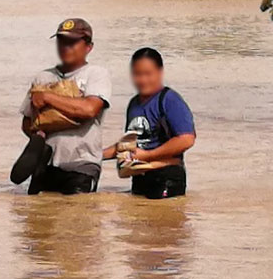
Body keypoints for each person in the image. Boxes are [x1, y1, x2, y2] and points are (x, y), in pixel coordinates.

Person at [17, 17, 112, 195]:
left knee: (76, 217)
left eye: (72, 42)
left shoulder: (97, 74)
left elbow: (89, 109)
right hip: (44, 165)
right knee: (37, 217)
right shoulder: (42, 78)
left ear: (89, 47)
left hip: (82, 165)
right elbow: (26, 123)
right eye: (61, 41)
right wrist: (37, 135)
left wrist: (47, 98)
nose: (65, 47)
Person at [103, 48, 196, 199]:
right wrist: (96, 155)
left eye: (148, 74)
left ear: (160, 72)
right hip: (139, 176)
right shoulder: (134, 104)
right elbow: (131, 144)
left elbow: (187, 139)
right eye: (137, 74)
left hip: (167, 177)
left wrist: (148, 155)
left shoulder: (170, 100)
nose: (142, 80)